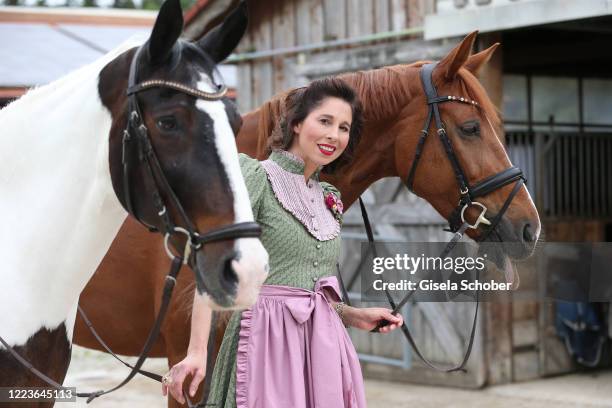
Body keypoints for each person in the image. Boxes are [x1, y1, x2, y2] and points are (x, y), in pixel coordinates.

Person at [161, 77, 404, 408]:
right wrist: (197, 352)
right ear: (296, 123)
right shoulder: (257, 178)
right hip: (265, 342)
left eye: (344, 127)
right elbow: (213, 268)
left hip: (322, 349)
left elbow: (308, 290)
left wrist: (353, 315)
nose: (335, 135)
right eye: (325, 121)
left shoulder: (328, 197)